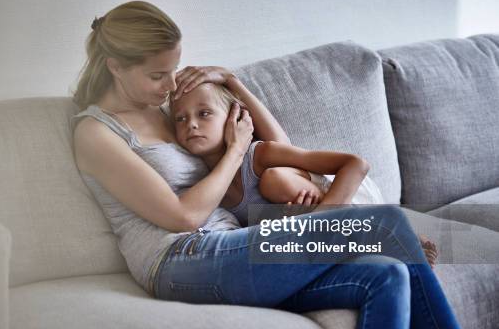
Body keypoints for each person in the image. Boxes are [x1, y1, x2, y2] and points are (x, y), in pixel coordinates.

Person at [70, 0, 487, 329]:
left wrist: (232, 82)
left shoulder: (165, 110)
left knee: (389, 276)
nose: (172, 86)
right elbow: (184, 216)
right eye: (159, 75)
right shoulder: (97, 133)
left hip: (236, 246)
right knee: (388, 225)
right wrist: (235, 151)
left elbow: (277, 148)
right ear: (115, 66)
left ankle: (355, 239)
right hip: (182, 258)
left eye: (174, 71)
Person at [168, 82, 438, 268]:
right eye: (180, 118)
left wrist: (319, 218)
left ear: (235, 118)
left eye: (204, 114)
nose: (191, 123)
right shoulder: (211, 192)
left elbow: (356, 165)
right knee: (263, 224)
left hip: (344, 195)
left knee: (275, 182)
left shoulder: (260, 156)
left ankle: (388, 234)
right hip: (305, 230)